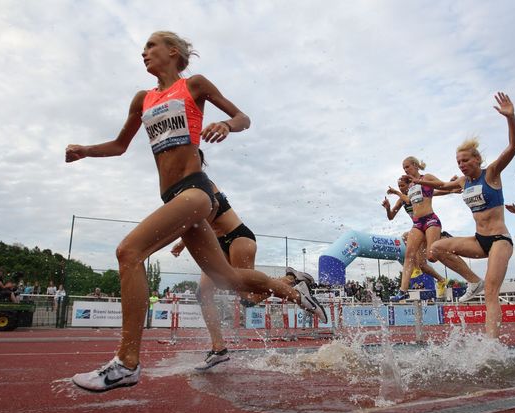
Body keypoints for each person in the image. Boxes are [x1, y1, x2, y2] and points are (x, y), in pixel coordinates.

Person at [66, 31, 326, 392]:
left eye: (151, 46)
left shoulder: (195, 86)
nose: (144, 52)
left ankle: (127, 362)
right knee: (231, 281)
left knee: (129, 252)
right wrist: (84, 150)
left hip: (195, 191)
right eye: (143, 49)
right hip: (172, 198)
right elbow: (119, 145)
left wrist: (226, 125)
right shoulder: (142, 99)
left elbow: (242, 117)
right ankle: (297, 292)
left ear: (173, 52)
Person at [170, 152, 315, 370]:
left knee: (247, 298)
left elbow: (215, 206)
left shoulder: (204, 182)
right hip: (218, 244)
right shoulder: (181, 187)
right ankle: (218, 348)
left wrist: (184, 241)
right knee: (203, 293)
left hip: (238, 237)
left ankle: (291, 278)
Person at [412, 92, 515, 338]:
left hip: (499, 241)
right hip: (478, 240)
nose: (461, 165)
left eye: (465, 160)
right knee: (436, 249)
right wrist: (419, 181)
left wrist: (510, 118)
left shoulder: (491, 173)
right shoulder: (462, 182)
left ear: (477, 159)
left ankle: (491, 344)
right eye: (458, 161)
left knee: (492, 292)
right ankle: (473, 281)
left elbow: (514, 147)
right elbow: (442, 186)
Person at [383, 175, 478, 300]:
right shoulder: (401, 199)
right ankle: (440, 279)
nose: (401, 189)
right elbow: (391, 217)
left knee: (411, 239)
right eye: (399, 187)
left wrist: (451, 187)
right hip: (418, 229)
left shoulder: (417, 192)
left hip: (429, 227)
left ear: (409, 184)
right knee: (423, 264)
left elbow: (435, 192)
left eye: (402, 186)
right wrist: (388, 208)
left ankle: (445, 242)